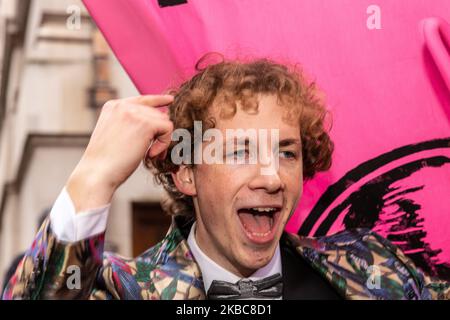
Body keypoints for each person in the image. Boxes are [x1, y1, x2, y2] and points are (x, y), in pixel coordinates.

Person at [2, 56, 449, 300]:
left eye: (286, 152)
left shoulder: (372, 266)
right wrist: (93, 176)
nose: (272, 177)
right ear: (186, 174)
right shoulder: (124, 290)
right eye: (240, 151)